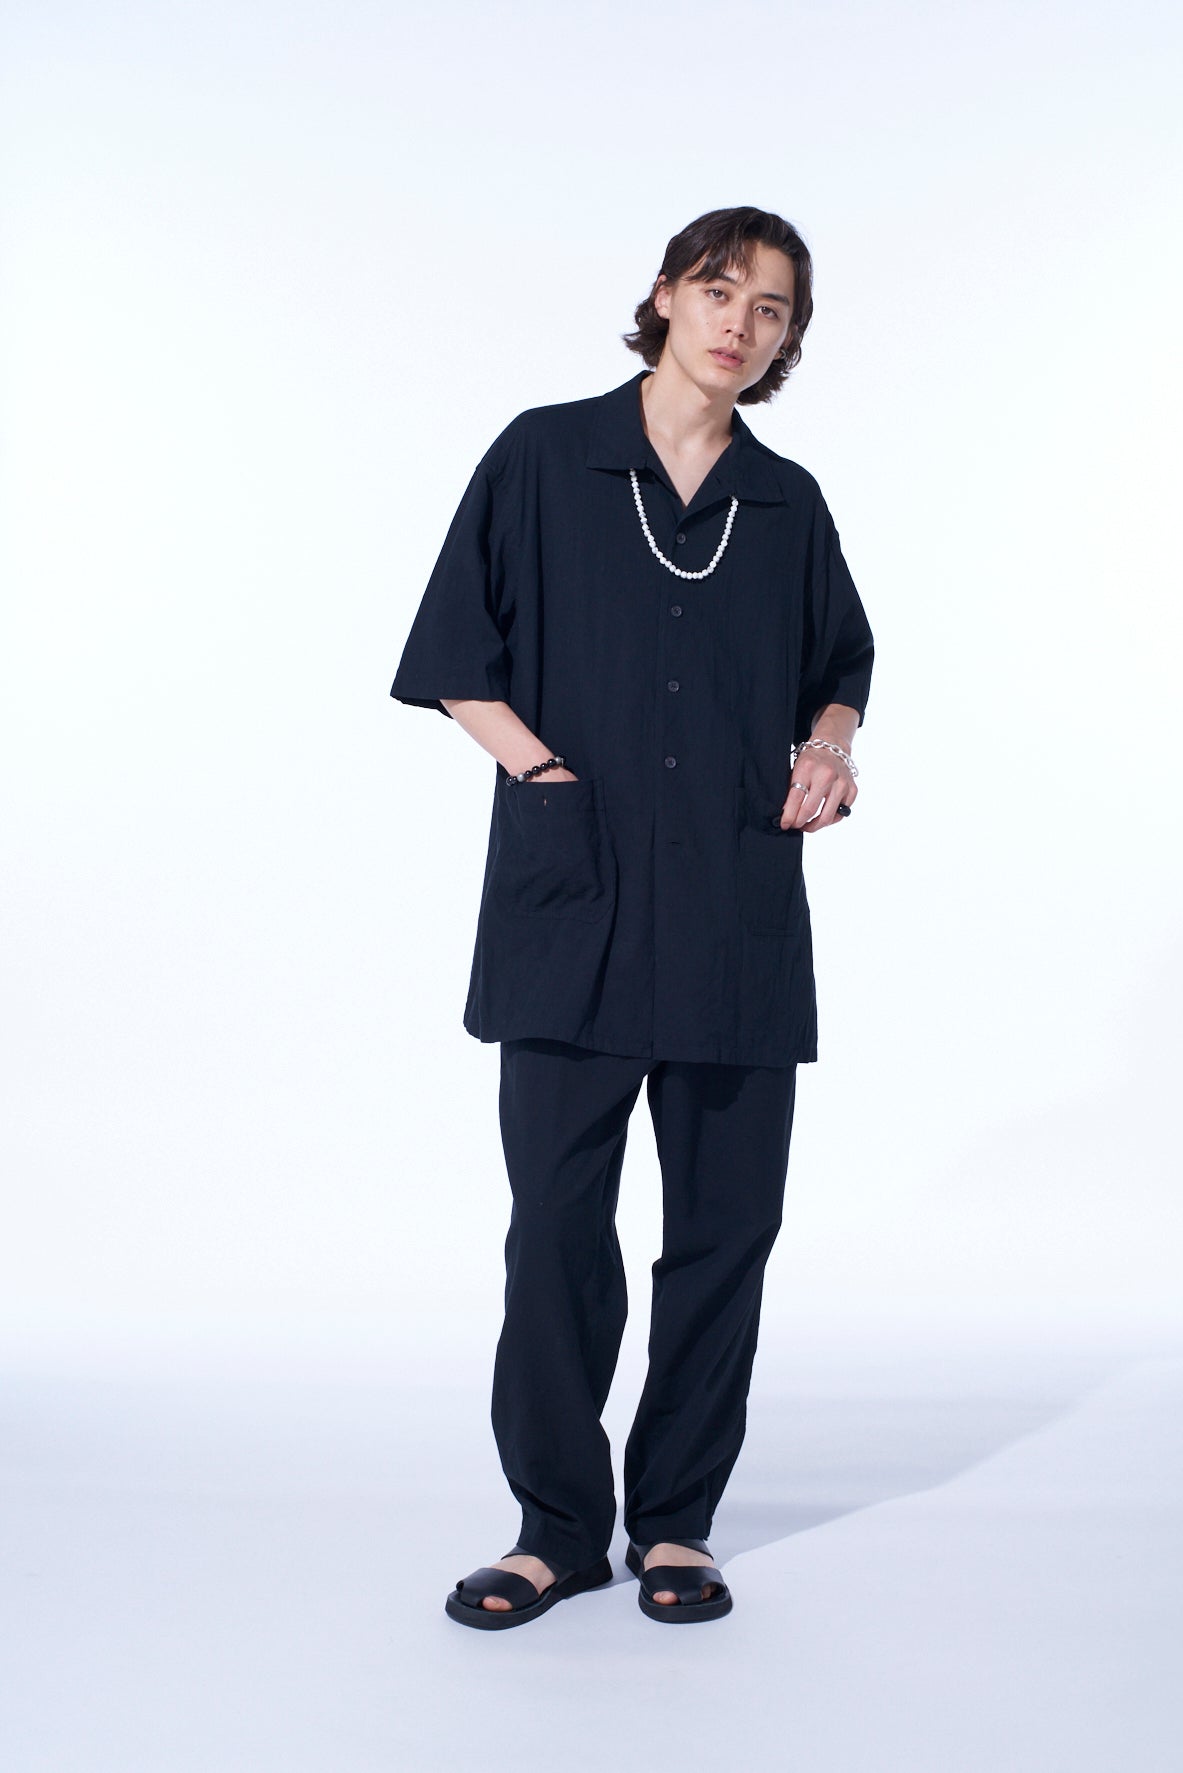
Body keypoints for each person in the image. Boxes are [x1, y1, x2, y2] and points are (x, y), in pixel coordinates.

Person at [390, 205, 874, 1629]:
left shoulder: (785, 504)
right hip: (574, 904)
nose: (740, 323)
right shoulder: (546, 457)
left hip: (733, 913)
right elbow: (453, 652)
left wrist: (830, 746)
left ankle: (675, 1524)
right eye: (720, 289)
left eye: (772, 309)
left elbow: (841, 664)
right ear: (665, 296)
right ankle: (554, 1527)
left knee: (725, 1233)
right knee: (556, 1227)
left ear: (787, 341)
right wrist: (539, 772)